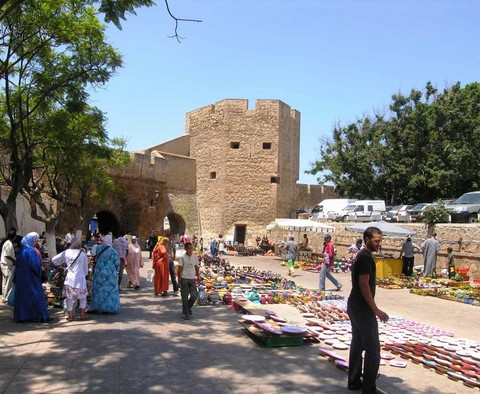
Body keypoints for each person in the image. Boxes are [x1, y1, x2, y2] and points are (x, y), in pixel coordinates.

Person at [347, 226, 389, 393]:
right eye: (376, 241)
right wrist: (376, 310)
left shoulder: (361, 255)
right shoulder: (365, 257)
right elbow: (364, 284)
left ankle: (354, 381)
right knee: (373, 348)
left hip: (355, 305)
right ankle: (369, 388)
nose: (379, 244)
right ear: (366, 240)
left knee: (357, 343)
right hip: (362, 309)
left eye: (380, 240)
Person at [13, 232, 50, 322]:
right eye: (35, 241)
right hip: (31, 278)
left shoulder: (21, 251)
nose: (36, 242)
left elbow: (17, 265)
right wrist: (40, 272)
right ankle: (42, 316)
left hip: (21, 278)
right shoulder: (31, 251)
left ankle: (22, 316)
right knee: (37, 295)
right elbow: (35, 265)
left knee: (22, 298)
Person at [51, 236, 89, 321]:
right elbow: (85, 269)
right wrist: (85, 274)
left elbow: (54, 260)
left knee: (69, 297)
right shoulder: (83, 254)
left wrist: (63, 264)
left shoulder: (66, 252)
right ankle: (82, 315)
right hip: (80, 278)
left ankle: (70, 316)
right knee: (82, 297)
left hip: (70, 278)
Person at [90, 234, 121, 314]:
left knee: (99, 290)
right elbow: (117, 263)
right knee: (109, 291)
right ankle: (109, 308)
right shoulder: (113, 251)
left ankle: (97, 307)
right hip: (110, 273)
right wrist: (117, 271)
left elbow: (93, 255)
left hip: (99, 272)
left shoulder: (98, 248)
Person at [177, 242, 200, 320]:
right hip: (184, 278)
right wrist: (179, 281)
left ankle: (188, 307)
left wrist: (198, 276)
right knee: (184, 297)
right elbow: (179, 270)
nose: (190, 250)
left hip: (192, 278)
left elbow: (196, 267)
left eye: (191, 248)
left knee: (194, 295)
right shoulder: (183, 258)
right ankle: (186, 313)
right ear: (186, 249)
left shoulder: (195, 257)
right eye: (189, 248)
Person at [1, 228, 17, 303]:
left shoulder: (7, 242)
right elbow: (8, 255)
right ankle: (6, 297)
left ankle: (5, 296)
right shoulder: (9, 243)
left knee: (5, 282)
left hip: (6, 265)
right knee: (8, 282)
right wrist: (15, 261)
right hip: (7, 265)